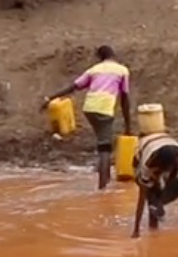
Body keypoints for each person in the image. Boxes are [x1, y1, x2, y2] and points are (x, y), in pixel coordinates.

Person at [41, 45, 131, 190]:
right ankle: (103, 187)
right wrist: (128, 125)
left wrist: (49, 98)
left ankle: (105, 175)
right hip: (104, 109)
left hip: (89, 108)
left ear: (100, 58)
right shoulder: (122, 71)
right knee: (105, 149)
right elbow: (125, 98)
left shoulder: (94, 70)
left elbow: (73, 87)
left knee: (103, 142)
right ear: (113, 55)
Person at [131, 132, 178, 238]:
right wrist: (136, 230)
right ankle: (154, 233)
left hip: (163, 147)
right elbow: (141, 198)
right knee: (153, 200)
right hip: (144, 153)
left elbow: (175, 171)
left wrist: (163, 198)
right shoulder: (147, 166)